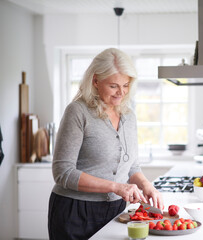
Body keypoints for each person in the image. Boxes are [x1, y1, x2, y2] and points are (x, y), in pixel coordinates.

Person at [48, 48, 163, 239]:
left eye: (126, 85)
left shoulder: (129, 116)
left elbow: (132, 166)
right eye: (114, 86)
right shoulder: (77, 112)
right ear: (95, 81)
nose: (121, 93)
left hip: (116, 210)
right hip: (75, 212)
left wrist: (146, 185)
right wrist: (116, 187)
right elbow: (62, 172)